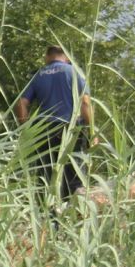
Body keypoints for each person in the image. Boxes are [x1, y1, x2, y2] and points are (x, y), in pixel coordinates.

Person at [14, 46, 93, 200]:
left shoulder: (38, 75)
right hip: (71, 130)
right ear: (67, 58)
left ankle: (47, 219)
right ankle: (72, 216)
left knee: (46, 176)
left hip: (44, 130)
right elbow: (85, 103)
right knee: (74, 177)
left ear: (47, 57)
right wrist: (91, 130)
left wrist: (26, 129)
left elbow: (21, 103)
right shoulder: (74, 72)